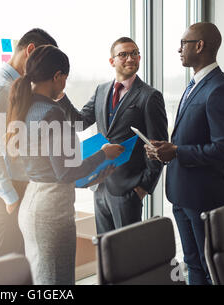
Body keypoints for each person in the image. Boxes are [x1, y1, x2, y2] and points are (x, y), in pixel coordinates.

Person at [6, 45, 124, 285]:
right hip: (51, 210)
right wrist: (103, 154)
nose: (65, 84)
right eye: (65, 79)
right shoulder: (52, 112)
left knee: (43, 279)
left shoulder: (26, 106)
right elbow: (66, 171)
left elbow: (50, 169)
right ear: (58, 76)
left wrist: (93, 175)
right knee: (56, 282)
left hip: (34, 202)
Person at [145, 22, 224, 285]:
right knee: (192, 263)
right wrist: (165, 149)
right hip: (181, 193)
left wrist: (176, 151)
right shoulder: (194, 84)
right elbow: (189, 136)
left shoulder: (221, 89)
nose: (179, 49)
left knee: (212, 267)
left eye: (184, 43)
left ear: (199, 46)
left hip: (205, 197)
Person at [58, 37, 168, 234]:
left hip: (128, 188)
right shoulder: (102, 90)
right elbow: (81, 122)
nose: (130, 58)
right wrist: (60, 97)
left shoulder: (150, 96)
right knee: (105, 248)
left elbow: (158, 146)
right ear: (112, 61)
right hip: (99, 185)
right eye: (123, 54)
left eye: (134, 53)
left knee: (128, 253)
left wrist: (143, 187)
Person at [0, 29, 58, 260]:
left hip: (25, 186)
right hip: (8, 192)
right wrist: (9, 197)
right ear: (30, 51)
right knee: (4, 270)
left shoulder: (20, 86)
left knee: (22, 266)